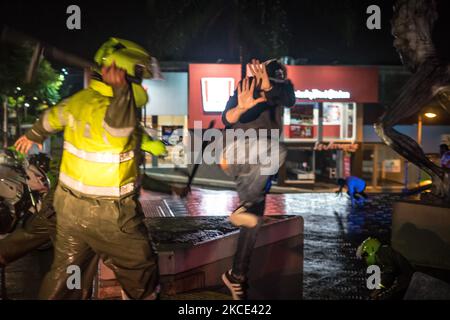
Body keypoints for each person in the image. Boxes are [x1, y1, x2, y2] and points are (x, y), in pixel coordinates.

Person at [14, 38, 161, 300]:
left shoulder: (78, 101)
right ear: (128, 73)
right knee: (142, 269)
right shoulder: (119, 108)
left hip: (69, 211)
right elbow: (119, 128)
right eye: (140, 75)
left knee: (64, 276)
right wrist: (122, 92)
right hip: (111, 216)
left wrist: (34, 135)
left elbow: (50, 118)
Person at [219, 59, 295, 300]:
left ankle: (236, 275)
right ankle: (246, 206)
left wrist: (271, 88)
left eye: (273, 82)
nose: (267, 85)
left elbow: (289, 99)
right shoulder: (245, 86)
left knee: (252, 219)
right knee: (277, 150)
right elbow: (227, 117)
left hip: (259, 168)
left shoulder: (281, 91)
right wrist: (241, 108)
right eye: (266, 80)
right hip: (239, 153)